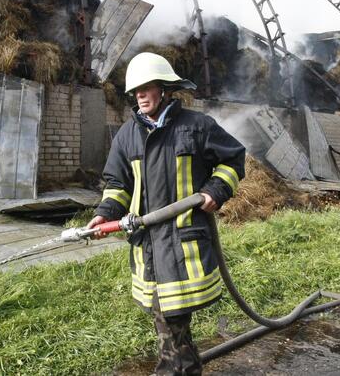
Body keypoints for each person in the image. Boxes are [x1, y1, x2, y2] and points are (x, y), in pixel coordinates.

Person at [87, 52, 245, 375]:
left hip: (182, 245)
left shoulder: (196, 127)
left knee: (171, 325)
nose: (140, 95)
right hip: (148, 245)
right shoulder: (126, 137)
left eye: (147, 87)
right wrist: (106, 213)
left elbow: (234, 160)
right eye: (136, 91)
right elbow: (118, 185)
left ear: (164, 89)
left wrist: (215, 191)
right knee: (172, 325)